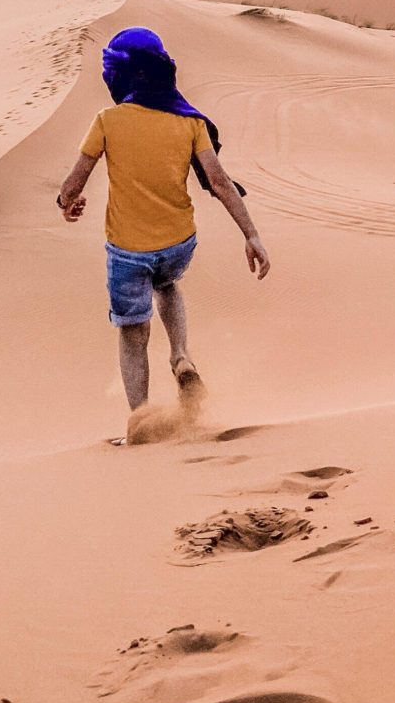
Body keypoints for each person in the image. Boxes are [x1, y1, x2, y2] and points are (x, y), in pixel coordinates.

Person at [55, 28, 270, 425]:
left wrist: (67, 203)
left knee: (133, 331)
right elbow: (220, 182)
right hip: (178, 241)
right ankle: (181, 356)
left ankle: (142, 420)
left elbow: (73, 184)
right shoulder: (189, 123)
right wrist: (251, 234)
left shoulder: (107, 121)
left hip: (126, 250)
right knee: (167, 285)